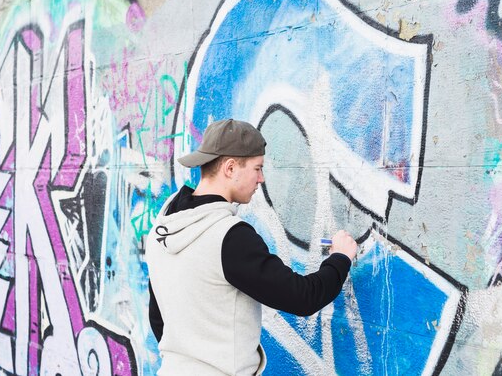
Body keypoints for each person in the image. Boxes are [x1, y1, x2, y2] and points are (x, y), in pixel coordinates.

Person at [146, 119, 358, 375]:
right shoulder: (229, 236)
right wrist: (340, 257)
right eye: (257, 168)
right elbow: (303, 298)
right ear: (231, 168)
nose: (261, 178)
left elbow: (158, 320)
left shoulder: (163, 227)